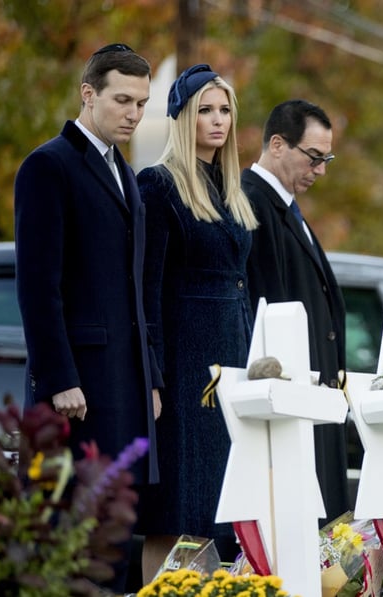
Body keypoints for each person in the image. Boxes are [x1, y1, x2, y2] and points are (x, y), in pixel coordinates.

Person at [13, 43, 160, 592]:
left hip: (126, 388)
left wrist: (153, 378)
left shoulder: (125, 173)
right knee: (70, 540)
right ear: (88, 93)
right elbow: (36, 285)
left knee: (115, 542)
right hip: (74, 394)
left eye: (142, 104)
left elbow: (134, 288)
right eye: (123, 99)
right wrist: (60, 378)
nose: (133, 114)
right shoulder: (47, 166)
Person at [135, 64, 258, 576]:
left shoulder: (231, 190)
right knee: (177, 509)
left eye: (225, 109)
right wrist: (155, 378)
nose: (217, 120)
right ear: (182, 117)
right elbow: (148, 291)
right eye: (205, 110)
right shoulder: (158, 185)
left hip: (231, 361)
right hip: (185, 369)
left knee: (217, 511)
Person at [244, 99, 349, 521]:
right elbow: (266, 303)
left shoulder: (285, 206)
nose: (321, 170)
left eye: (327, 159)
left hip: (312, 395)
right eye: (314, 157)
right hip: (288, 397)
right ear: (277, 145)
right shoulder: (252, 204)